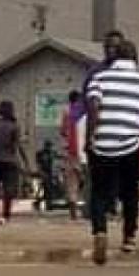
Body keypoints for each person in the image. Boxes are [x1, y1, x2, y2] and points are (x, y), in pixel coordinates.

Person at [84, 39, 139, 265]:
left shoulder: (98, 78)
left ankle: (100, 231)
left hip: (102, 144)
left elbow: (93, 107)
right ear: (134, 59)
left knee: (99, 192)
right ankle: (129, 237)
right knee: (130, 192)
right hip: (131, 144)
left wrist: (90, 138)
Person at [59, 89, 86, 221]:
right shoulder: (87, 111)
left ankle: (73, 213)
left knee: (71, 182)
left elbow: (63, 131)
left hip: (71, 151)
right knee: (90, 180)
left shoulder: (66, 111)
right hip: (86, 151)